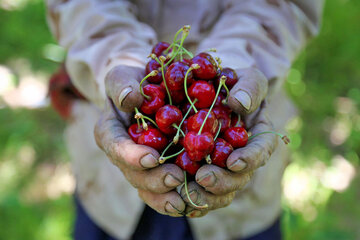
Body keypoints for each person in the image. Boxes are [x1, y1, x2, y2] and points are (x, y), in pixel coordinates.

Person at [46, 0, 324, 239]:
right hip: (106, 186)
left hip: (242, 208)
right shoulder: (155, 102)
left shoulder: (213, 113)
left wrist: (238, 61)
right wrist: (114, 58)